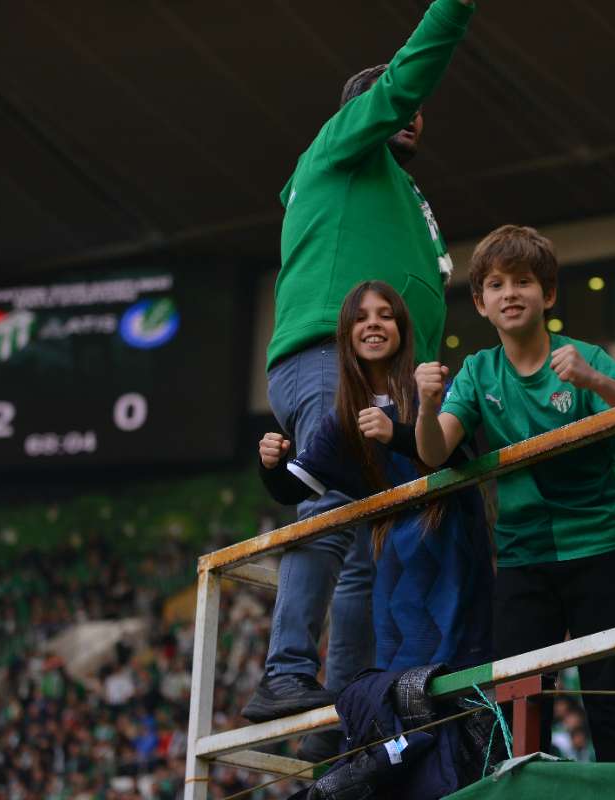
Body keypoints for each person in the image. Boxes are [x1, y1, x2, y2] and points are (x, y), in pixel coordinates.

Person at [242, 0, 478, 758]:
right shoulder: (338, 150)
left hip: (386, 377)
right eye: (389, 100)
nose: (408, 112)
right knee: (331, 504)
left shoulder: (400, 195)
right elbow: (404, 81)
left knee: (360, 537)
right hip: (326, 355)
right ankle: (283, 673)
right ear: (362, 113)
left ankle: (337, 718)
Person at [413, 224, 615, 762]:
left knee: (612, 703)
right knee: (522, 708)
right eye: (496, 285)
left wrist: (594, 381)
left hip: (599, 545)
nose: (510, 293)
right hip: (523, 555)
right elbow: (434, 451)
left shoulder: (582, 356)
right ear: (480, 303)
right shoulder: (478, 371)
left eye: (522, 281)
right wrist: (427, 407)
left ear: (547, 294)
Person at [258, 281, 492, 676]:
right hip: (395, 566)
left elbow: (457, 456)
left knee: (466, 672)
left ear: (402, 329)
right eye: (361, 317)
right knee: (402, 683)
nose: (374, 325)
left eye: (386, 316)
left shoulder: (432, 388)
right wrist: (270, 464)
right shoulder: (341, 421)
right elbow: (291, 489)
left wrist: (395, 434)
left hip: (454, 549)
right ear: (346, 334)